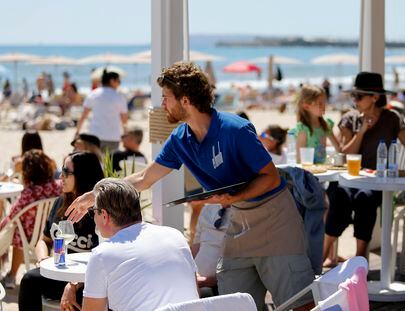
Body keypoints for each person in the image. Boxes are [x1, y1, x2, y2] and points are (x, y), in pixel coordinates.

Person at [66, 62, 314, 310]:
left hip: (274, 219)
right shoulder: (180, 139)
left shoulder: (235, 129)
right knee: (233, 303)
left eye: (166, 97)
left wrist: (232, 198)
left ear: (185, 100)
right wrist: (95, 194)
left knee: (297, 303)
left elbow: (271, 177)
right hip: (237, 222)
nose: (162, 104)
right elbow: (144, 179)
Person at [324, 72, 405, 262]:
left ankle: (359, 261)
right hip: (349, 177)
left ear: (374, 97)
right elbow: (346, 154)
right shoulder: (350, 119)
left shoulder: (392, 118)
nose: (354, 100)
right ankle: (322, 257)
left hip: (377, 181)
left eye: (359, 96)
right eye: (353, 95)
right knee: (340, 196)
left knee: (366, 198)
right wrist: (362, 130)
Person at [83, 178, 198, 311]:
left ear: (104, 215)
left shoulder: (102, 255)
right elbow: (194, 295)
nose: (94, 218)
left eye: (93, 212)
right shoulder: (175, 236)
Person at [18, 152, 103, 311]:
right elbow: (44, 240)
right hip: (61, 274)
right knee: (29, 280)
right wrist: (43, 259)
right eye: (60, 172)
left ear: (83, 175)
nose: (60, 177)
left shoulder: (100, 211)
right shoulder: (61, 202)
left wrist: (74, 284)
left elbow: (105, 262)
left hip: (90, 280)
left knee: (84, 297)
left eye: (66, 173)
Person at [0, 150, 62, 288]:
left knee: (17, 230)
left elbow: (12, 215)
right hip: (50, 232)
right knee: (19, 228)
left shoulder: (29, 193)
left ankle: (12, 275)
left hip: (30, 236)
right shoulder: (58, 186)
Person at [75, 70, 128, 153]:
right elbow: (124, 119)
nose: (119, 83)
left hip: (94, 135)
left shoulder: (93, 94)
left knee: (95, 164)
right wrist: (125, 134)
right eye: (118, 81)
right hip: (113, 136)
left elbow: (83, 116)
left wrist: (77, 131)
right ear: (112, 81)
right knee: (110, 164)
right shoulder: (119, 97)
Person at [294, 84, 340, 164]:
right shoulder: (303, 129)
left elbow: (338, 149)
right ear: (306, 106)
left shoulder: (326, 125)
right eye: (320, 104)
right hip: (309, 173)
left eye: (324, 103)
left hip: (323, 171)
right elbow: (299, 159)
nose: (324, 107)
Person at [191, 203, 230, 297]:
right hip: (199, 283)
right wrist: (192, 273)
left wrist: (215, 280)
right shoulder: (207, 208)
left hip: (227, 282)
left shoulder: (243, 210)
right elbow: (197, 244)